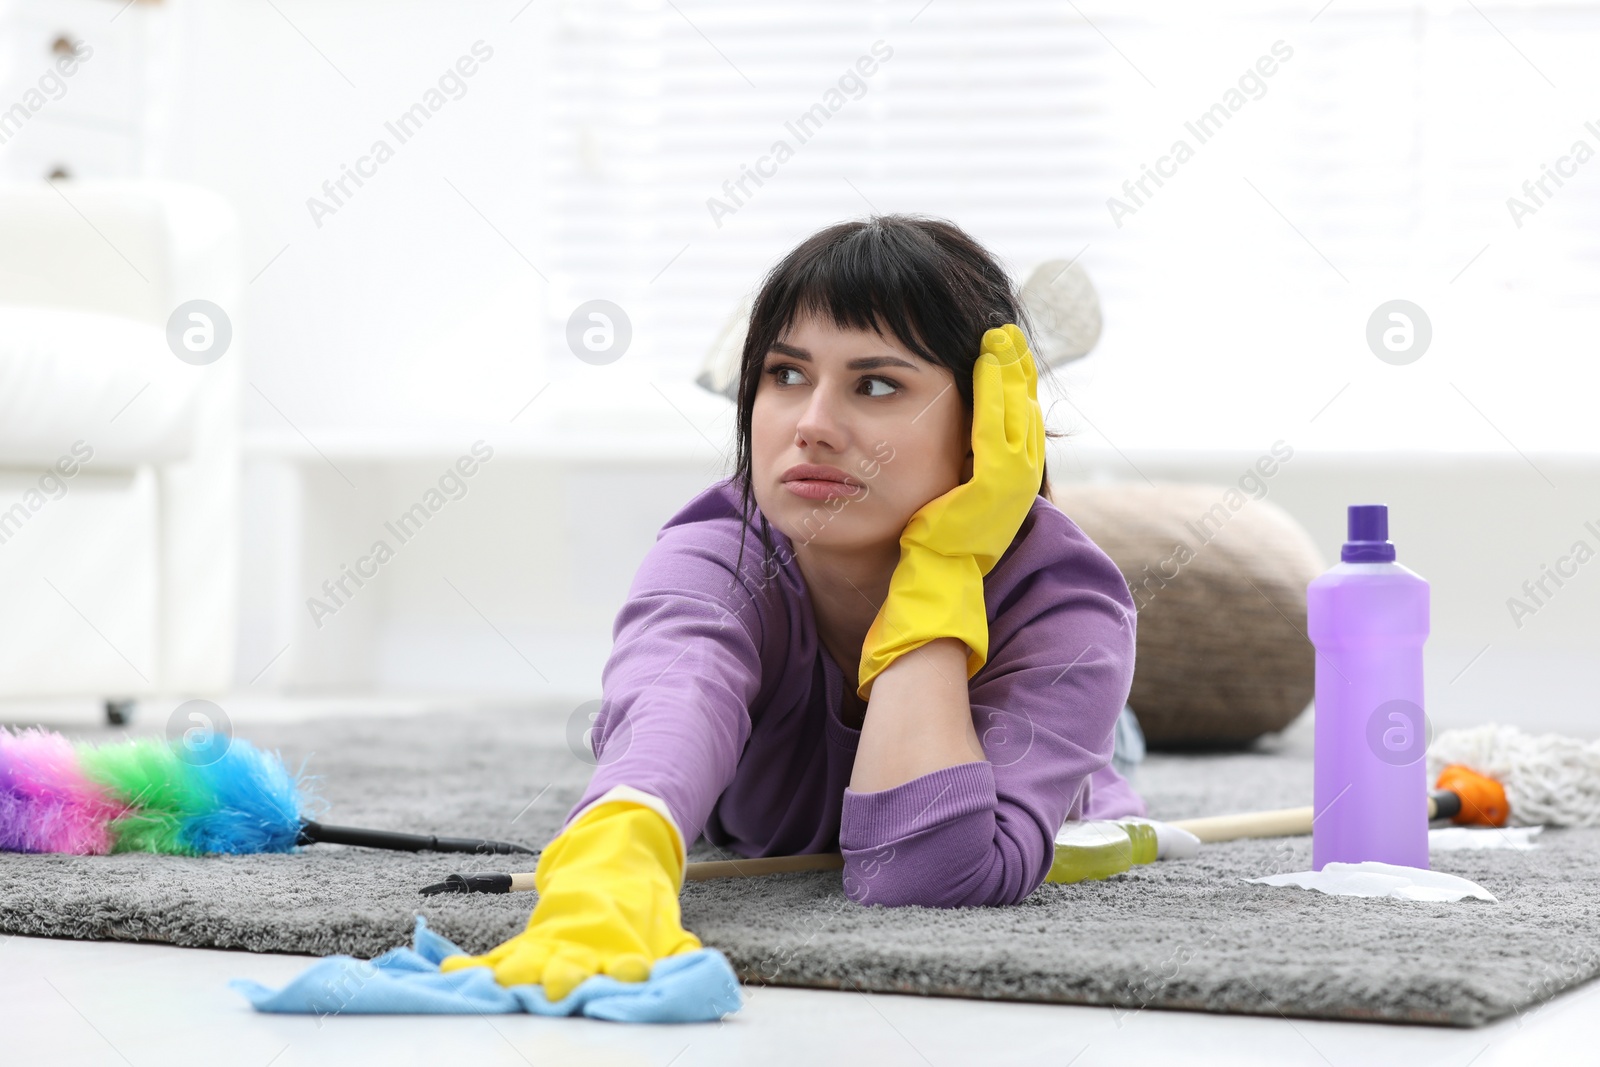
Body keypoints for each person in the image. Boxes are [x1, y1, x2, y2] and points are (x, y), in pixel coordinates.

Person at [441, 214, 1144, 1001]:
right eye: (785, 374)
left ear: (983, 424)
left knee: (1118, 724)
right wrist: (620, 845)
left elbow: (918, 871)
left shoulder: (1068, 604)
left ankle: (1116, 727)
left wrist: (945, 564)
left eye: (876, 384)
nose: (811, 425)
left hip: (1045, 686)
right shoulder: (715, 552)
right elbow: (676, 703)